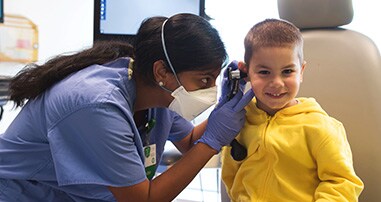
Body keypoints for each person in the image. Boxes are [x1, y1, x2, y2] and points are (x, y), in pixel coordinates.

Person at [0, 13, 254, 201]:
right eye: (204, 80)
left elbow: (187, 141)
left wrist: (225, 107)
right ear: (162, 72)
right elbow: (142, 199)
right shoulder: (97, 106)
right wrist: (211, 143)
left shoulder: (154, 91)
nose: (209, 90)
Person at [221, 18, 364, 201]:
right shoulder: (239, 121)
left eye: (287, 71)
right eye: (264, 72)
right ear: (246, 72)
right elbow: (231, 175)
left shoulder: (320, 127)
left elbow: (342, 182)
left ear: (301, 71)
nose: (277, 83)